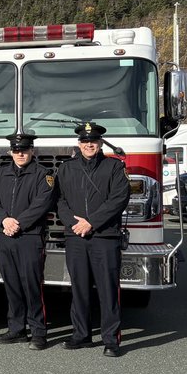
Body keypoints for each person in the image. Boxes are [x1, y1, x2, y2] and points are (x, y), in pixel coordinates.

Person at [57, 121, 131, 357]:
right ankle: (81, 335)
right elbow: (59, 201)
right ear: (79, 144)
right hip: (76, 236)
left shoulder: (114, 168)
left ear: (100, 144)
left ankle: (111, 340)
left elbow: (119, 199)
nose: (89, 144)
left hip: (105, 236)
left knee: (108, 289)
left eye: (94, 141)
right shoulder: (66, 168)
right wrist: (73, 223)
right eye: (85, 141)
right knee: (79, 288)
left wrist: (92, 222)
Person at [0, 132, 55, 350]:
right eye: (16, 150)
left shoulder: (43, 175)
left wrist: (18, 223)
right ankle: (17, 329)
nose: (20, 154)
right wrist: (4, 220)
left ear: (32, 151)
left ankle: (38, 332)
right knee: (12, 284)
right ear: (10, 152)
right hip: (4, 235)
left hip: (29, 236)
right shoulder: (0, 173)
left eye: (24, 150)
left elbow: (41, 204)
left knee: (31, 285)